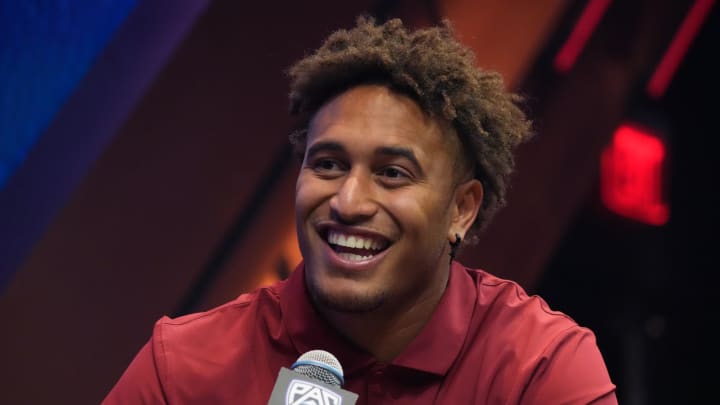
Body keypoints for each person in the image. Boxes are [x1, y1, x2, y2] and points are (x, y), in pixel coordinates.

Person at [103, 16, 617, 404]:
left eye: (392, 173)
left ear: (461, 209)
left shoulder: (539, 370)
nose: (348, 202)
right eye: (327, 164)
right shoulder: (185, 370)